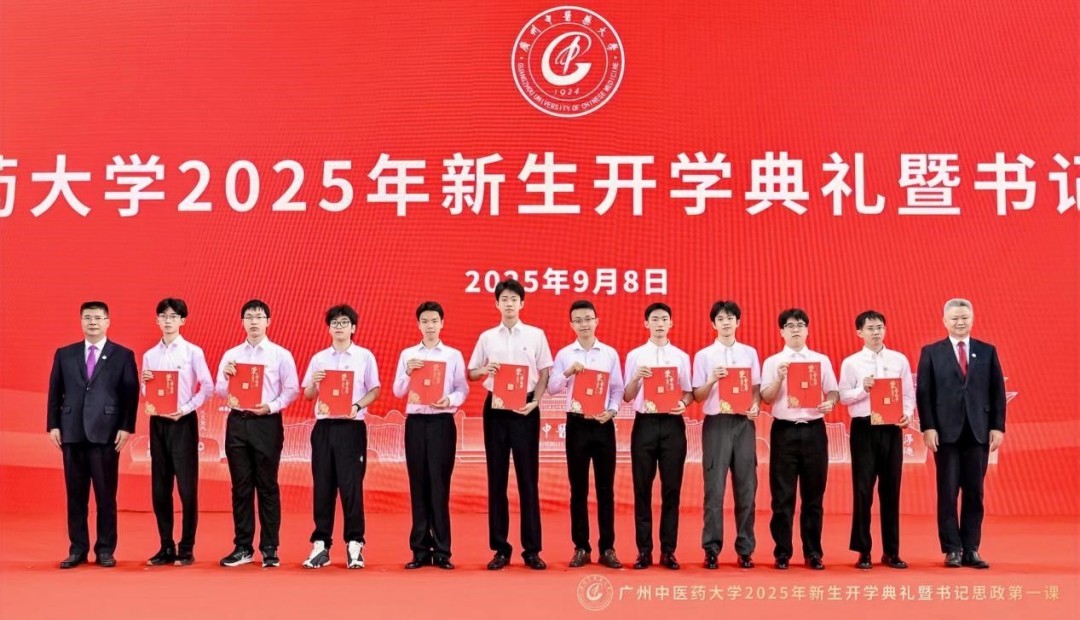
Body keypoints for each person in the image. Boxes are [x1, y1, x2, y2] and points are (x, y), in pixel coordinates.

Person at [468, 279, 553, 570]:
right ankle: (500, 549)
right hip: (496, 408)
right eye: (504, 299)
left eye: (513, 299)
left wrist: (536, 401)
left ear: (522, 303)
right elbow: (472, 373)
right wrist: (485, 369)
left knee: (528, 479)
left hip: (526, 408)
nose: (509, 304)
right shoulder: (487, 337)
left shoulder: (536, 335)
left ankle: (532, 550)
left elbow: (545, 372)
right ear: (497, 304)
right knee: (497, 479)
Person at [47, 301, 139, 568]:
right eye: (87, 318)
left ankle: (105, 549)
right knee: (75, 496)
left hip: (106, 434)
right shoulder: (65, 354)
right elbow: (55, 392)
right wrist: (53, 425)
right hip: (72, 432)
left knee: (105, 496)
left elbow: (130, 394)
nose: (93, 323)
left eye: (98, 318)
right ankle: (77, 549)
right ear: (81, 321)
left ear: (108, 321)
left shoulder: (122, 355)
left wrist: (126, 427)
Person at [916, 298, 1006, 569]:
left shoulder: (987, 351)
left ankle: (971, 548)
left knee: (975, 492)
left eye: (964, 317)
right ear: (944, 321)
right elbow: (924, 393)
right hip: (945, 434)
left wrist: (997, 426)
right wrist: (928, 427)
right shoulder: (931, 352)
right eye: (954, 318)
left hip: (978, 431)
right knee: (947, 491)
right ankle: (952, 548)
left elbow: (997, 392)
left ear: (972, 319)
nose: (960, 322)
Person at [214, 299, 299, 568]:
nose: (253, 321)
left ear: (268, 321)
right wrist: (226, 378)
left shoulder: (280, 355)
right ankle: (243, 547)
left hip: (266, 423)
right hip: (238, 423)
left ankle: (270, 548)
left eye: (259, 317)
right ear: (242, 322)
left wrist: (271, 406)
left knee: (267, 485)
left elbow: (292, 389)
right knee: (240, 487)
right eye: (249, 317)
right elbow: (219, 390)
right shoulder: (231, 355)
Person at [299, 304, 380, 570]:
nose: (339, 326)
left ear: (353, 327)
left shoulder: (364, 356)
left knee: (351, 487)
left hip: (351, 427)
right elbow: (308, 394)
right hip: (324, 428)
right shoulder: (319, 359)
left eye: (344, 322)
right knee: (323, 486)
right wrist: (314, 381)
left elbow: (374, 390)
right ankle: (321, 544)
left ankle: (355, 544)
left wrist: (357, 406)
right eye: (334, 323)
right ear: (329, 328)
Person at [547, 300, 624, 569]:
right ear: (571, 325)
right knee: (578, 488)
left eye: (588, 318)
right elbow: (552, 388)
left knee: (606, 489)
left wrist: (611, 411)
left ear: (596, 321)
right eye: (578, 320)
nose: (584, 324)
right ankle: (581, 547)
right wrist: (568, 372)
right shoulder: (565, 354)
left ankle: (608, 548)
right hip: (577, 424)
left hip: (603, 424)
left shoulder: (609, 354)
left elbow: (617, 389)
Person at [760, 308, 839, 570]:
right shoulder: (772, 362)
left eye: (800, 325)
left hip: (814, 430)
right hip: (784, 431)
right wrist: (779, 378)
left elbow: (833, 391)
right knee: (782, 497)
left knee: (813, 496)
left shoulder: (821, 360)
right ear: (781, 331)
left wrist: (830, 402)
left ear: (807, 330)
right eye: (790, 325)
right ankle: (782, 552)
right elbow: (767, 398)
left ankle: (813, 552)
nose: (796, 329)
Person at [392, 301, 468, 570]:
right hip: (415, 423)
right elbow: (398, 391)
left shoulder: (453, 355)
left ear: (442, 323)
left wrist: (449, 400)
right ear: (418, 325)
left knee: (440, 485)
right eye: (425, 321)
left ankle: (443, 550)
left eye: (434, 321)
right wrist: (408, 372)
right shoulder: (408, 354)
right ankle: (420, 550)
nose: (430, 326)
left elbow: (462, 389)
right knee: (418, 484)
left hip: (441, 422)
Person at [837, 310, 913, 570]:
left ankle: (892, 551)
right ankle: (863, 551)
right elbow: (843, 397)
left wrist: (907, 415)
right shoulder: (851, 363)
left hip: (891, 427)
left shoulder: (899, 360)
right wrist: (863, 389)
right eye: (870, 328)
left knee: (891, 490)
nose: (876, 332)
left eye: (880, 327)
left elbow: (908, 395)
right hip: (864, 428)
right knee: (863, 490)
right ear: (859, 332)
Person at [141, 298, 214, 566]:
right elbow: (146, 390)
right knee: (160, 488)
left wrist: (185, 409)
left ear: (183, 320)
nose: (168, 321)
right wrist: (146, 388)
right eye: (163, 316)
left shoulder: (193, 352)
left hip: (183, 422)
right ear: (157, 320)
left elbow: (207, 386)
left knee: (186, 487)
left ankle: (186, 547)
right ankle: (165, 546)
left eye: (173, 316)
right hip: (158, 423)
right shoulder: (150, 355)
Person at [623, 302, 693, 570]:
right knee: (642, 488)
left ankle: (668, 551)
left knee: (671, 489)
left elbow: (688, 391)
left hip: (673, 424)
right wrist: (636, 379)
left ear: (671, 323)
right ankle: (644, 551)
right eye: (655, 319)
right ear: (646, 323)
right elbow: (627, 396)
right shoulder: (635, 356)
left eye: (664, 319)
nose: (660, 323)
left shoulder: (681, 356)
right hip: (645, 424)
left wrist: (683, 403)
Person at [692, 300, 761, 569]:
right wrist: (712, 379)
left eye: (730, 318)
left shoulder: (749, 353)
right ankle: (711, 549)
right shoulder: (704, 356)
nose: (726, 323)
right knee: (714, 489)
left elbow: (755, 388)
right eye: (720, 319)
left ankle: (745, 549)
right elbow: (698, 396)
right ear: (713, 324)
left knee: (746, 488)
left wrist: (755, 405)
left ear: (738, 322)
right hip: (717, 424)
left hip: (743, 423)